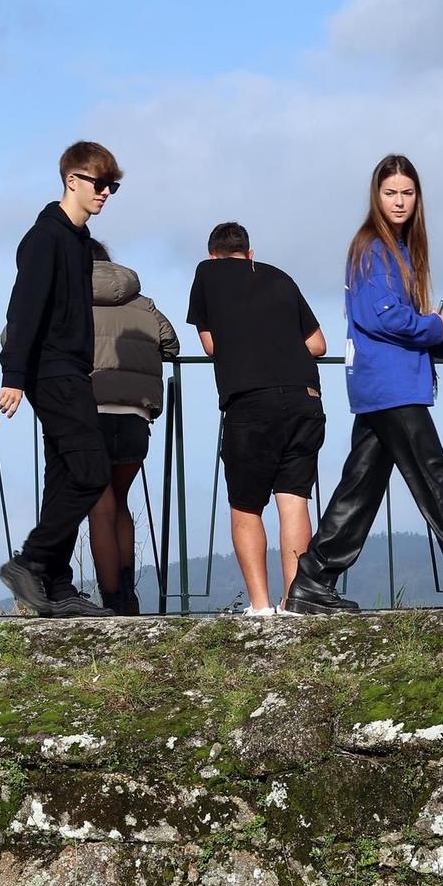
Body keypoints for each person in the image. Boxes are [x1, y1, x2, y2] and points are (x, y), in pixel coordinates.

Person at [283, 155, 443, 615]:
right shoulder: (374, 249)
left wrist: (442, 335)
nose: (399, 201)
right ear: (376, 197)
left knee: (359, 489)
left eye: (407, 192)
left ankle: (313, 582)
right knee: (435, 478)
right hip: (391, 385)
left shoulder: (396, 250)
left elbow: (397, 321)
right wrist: (438, 328)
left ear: (417, 197)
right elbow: (384, 317)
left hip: (385, 384)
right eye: (390, 193)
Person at [0, 141, 120, 619]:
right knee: (91, 470)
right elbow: (23, 309)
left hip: (72, 370)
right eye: (98, 183)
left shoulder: (79, 243)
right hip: (51, 372)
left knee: (65, 475)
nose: (105, 193)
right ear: (72, 180)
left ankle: (55, 582)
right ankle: (30, 562)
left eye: (113, 185)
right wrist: (15, 375)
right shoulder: (44, 238)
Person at [186, 221, 328, 617]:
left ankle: (261, 606)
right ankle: (295, 602)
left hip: (250, 403)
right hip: (304, 398)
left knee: (246, 506)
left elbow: (212, 345)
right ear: (250, 253)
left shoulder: (206, 273)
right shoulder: (280, 277)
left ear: (212, 253)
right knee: (294, 502)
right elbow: (318, 344)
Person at [83, 239, 179, 616]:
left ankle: (111, 602)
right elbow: (170, 344)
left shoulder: (66, 298)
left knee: (99, 507)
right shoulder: (143, 303)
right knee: (120, 502)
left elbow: (15, 338)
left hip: (87, 410)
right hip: (136, 414)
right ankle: (128, 593)